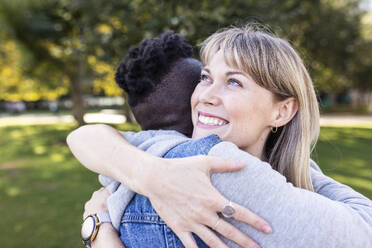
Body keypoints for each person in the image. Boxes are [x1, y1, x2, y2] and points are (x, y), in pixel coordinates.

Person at [68, 26, 372, 248]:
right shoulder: (225, 170)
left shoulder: (159, 147)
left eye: (234, 83)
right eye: (206, 78)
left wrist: (98, 228)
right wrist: (152, 175)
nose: (206, 96)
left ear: (282, 111)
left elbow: (86, 137)